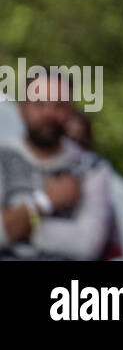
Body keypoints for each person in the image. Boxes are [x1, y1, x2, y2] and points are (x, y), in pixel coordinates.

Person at [0, 68, 115, 260]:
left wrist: (18, 227)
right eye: (39, 104)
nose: (49, 113)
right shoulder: (3, 159)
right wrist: (45, 202)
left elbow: (88, 245)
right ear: (22, 108)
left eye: (59, 105)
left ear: (71, 110)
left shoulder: (92, 169)